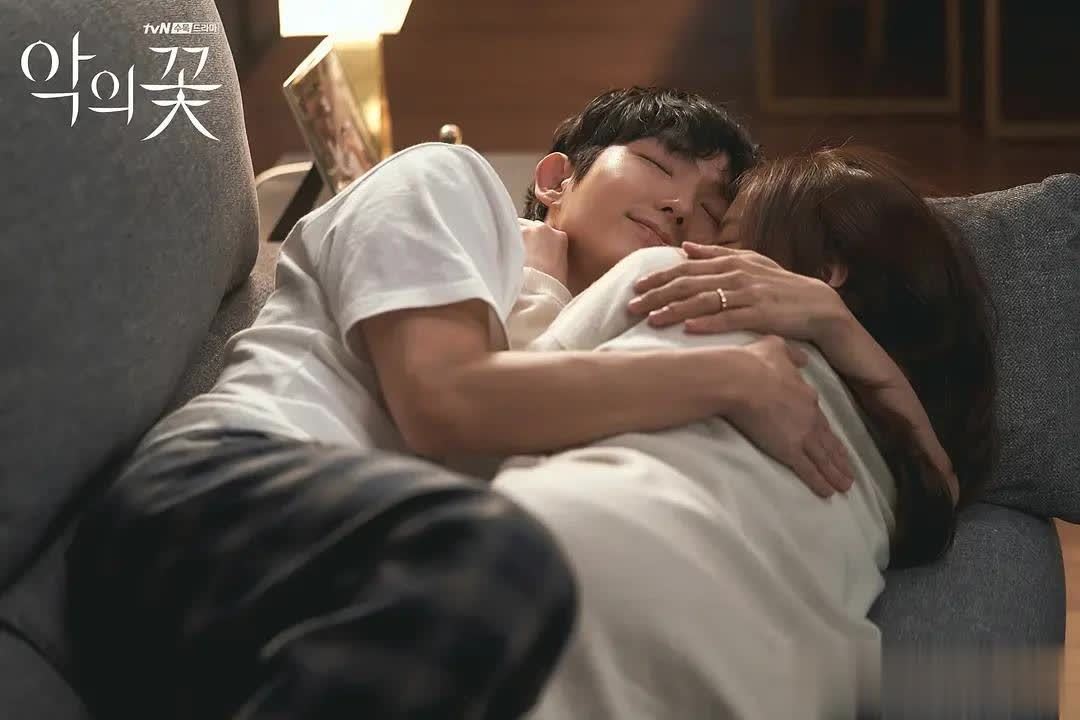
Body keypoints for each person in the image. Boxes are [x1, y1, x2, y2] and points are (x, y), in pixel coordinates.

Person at [67, 86, 807, 720]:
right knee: (504, 556)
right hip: (215, 491)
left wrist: (831, 324)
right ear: (556, 178)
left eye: (710, 210)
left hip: (357, 594)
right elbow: (444, 402)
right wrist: (731, 375)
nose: (679, 205)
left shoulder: (608, 338)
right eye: (657, 166)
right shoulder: (448, 181)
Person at [488, 144, 999, 717]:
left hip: (566, 555)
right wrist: (839, 327)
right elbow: (941, 488)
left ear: (825, 272)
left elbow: (494, 408)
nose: (694, 238)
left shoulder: (678, 275)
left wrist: (538, 280)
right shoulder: (904, 457)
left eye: (727, 236)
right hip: (775, 683)